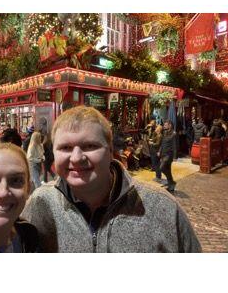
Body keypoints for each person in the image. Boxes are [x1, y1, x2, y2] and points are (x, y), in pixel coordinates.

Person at [22, 106, 201, 252]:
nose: (76, 158)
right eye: (65, 148)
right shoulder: (40, 203)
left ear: (110, 151)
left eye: (90, 146)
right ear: (53, 153)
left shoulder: (162, 207)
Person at [158, 120, 177, 193]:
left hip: (169, 155)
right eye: (164, 125)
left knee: (162, 168)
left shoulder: (174, 134)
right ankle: (171, 186)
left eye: (166, 125)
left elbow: (175, 146)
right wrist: (159, 151)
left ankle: (171, 182)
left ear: (170, 125)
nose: (164, 126)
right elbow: (162, 143)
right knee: (168, 170)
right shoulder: (165, 133)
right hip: (163, 154)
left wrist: (175, 156)